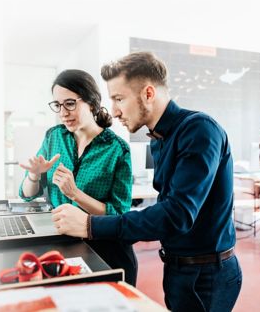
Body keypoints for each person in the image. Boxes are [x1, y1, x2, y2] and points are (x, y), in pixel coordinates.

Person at [52, 52, 242, 312]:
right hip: (179, 269)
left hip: (206, 275)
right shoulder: (159, 139)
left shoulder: (199, 130)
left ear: (148, 93)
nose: (114, 111)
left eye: (119, 99)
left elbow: (177, 215)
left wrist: (90, 225)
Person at [18, 69, 138, 286]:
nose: (63, 112)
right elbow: (27, 194)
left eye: (70, 103)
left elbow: (119, 214)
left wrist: (75, 193)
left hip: (106, 252)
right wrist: (34, 176)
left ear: (91, 103)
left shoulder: (117, 149)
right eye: (57, 105)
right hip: (62, 246)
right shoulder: (54, 136)